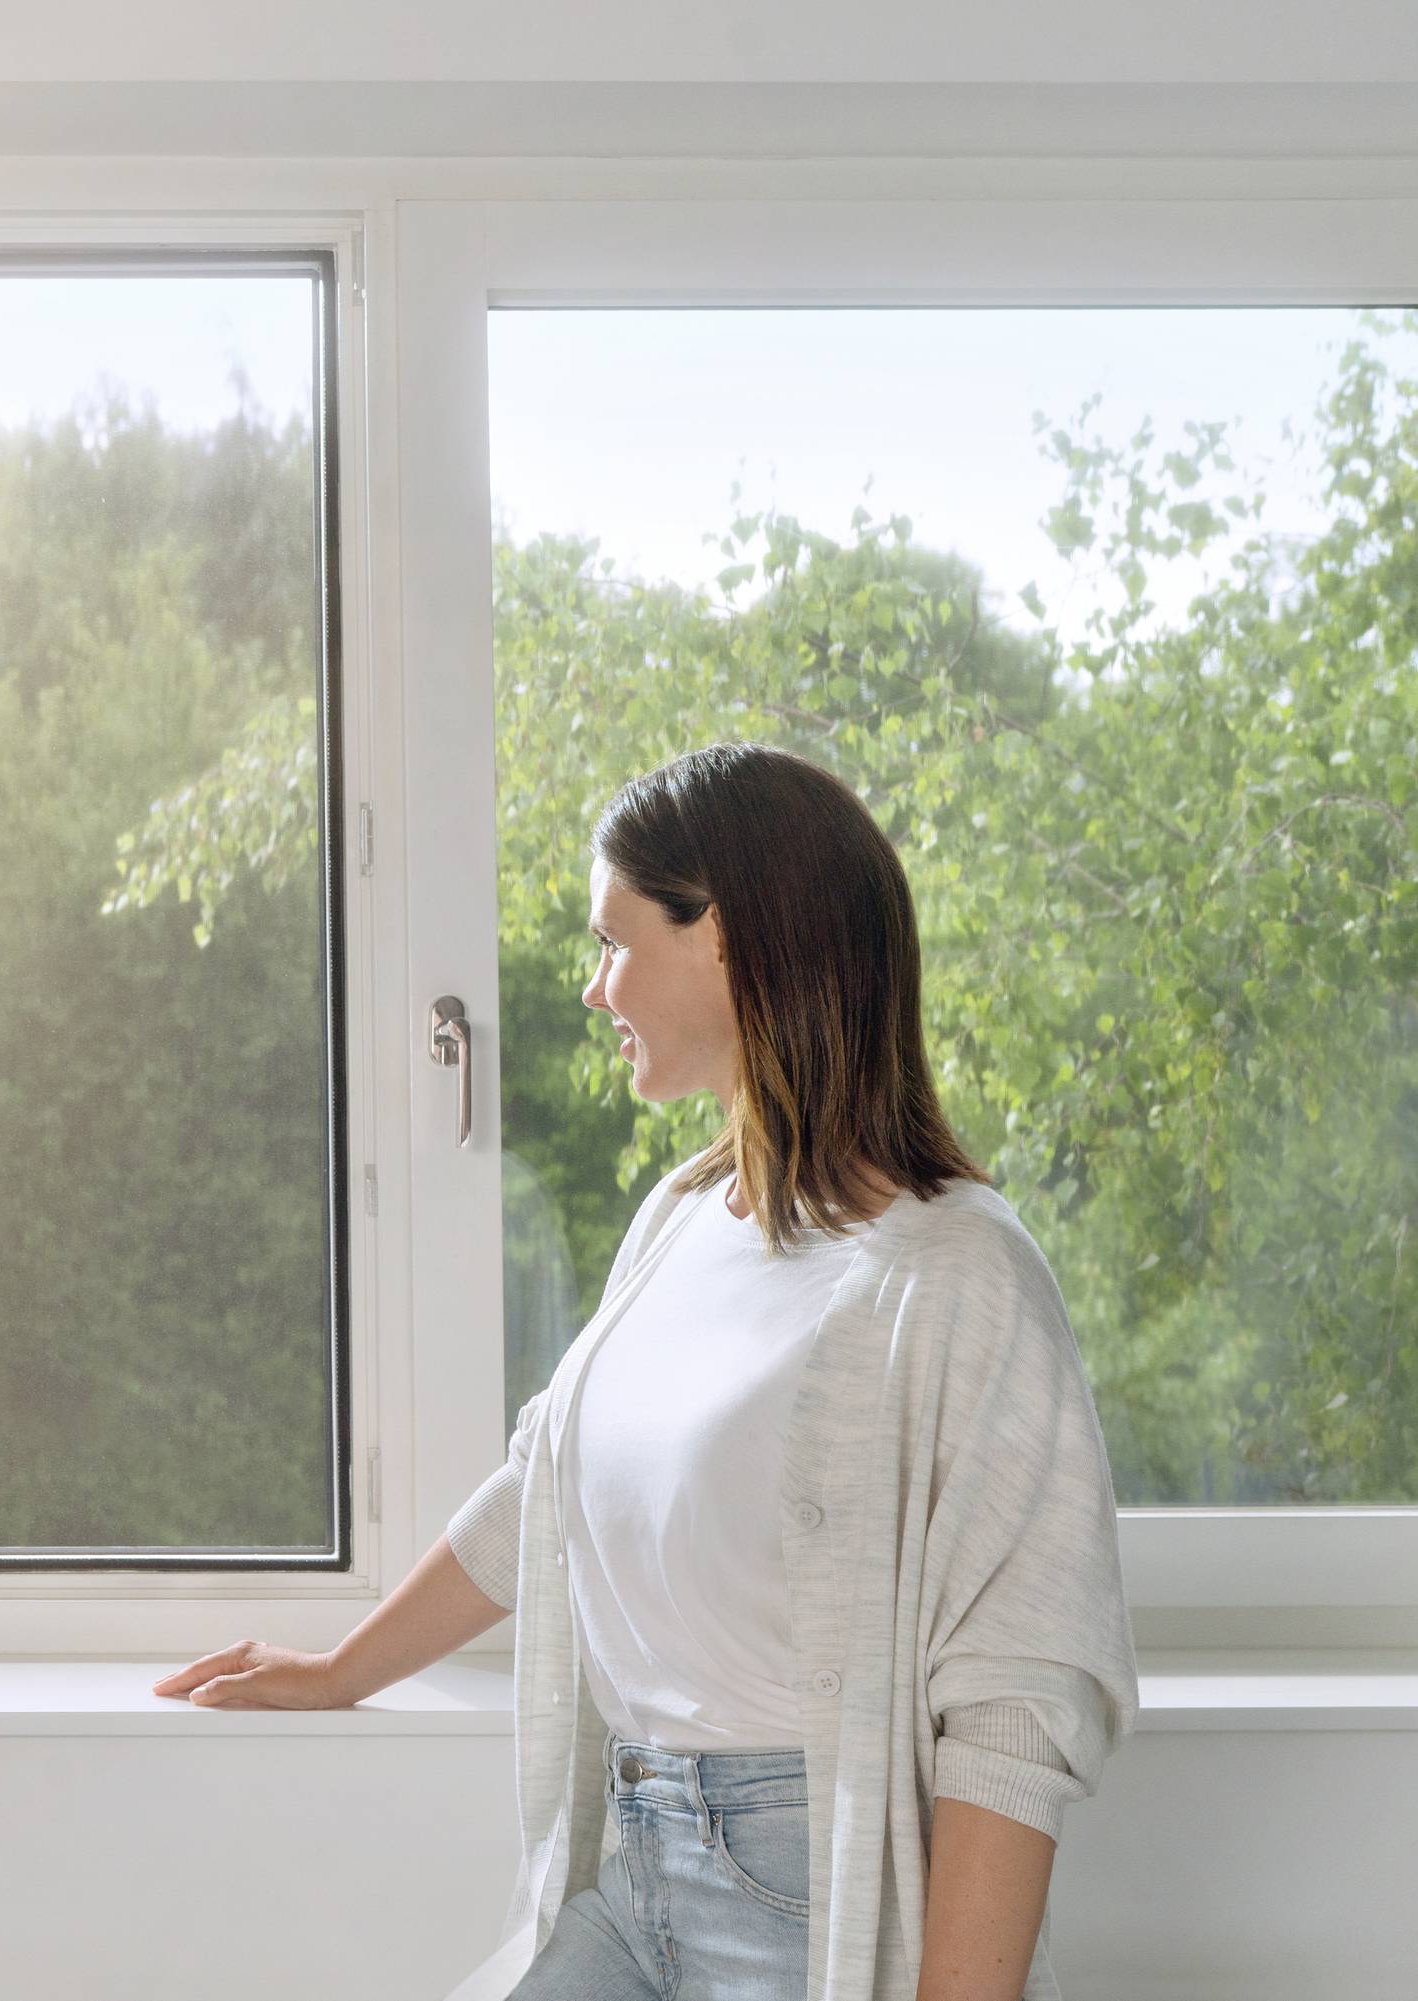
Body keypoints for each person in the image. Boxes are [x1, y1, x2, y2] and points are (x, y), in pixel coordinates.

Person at [151, 742, 1139, 2001]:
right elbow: (542, 1495)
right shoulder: (682, 1221)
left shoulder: (957, 1277)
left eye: (614, 941)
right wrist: (342, 1669)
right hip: (636, 1878)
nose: (591, 986)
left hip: (810, 1909)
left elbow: (1016, 1709)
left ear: (726, 937)